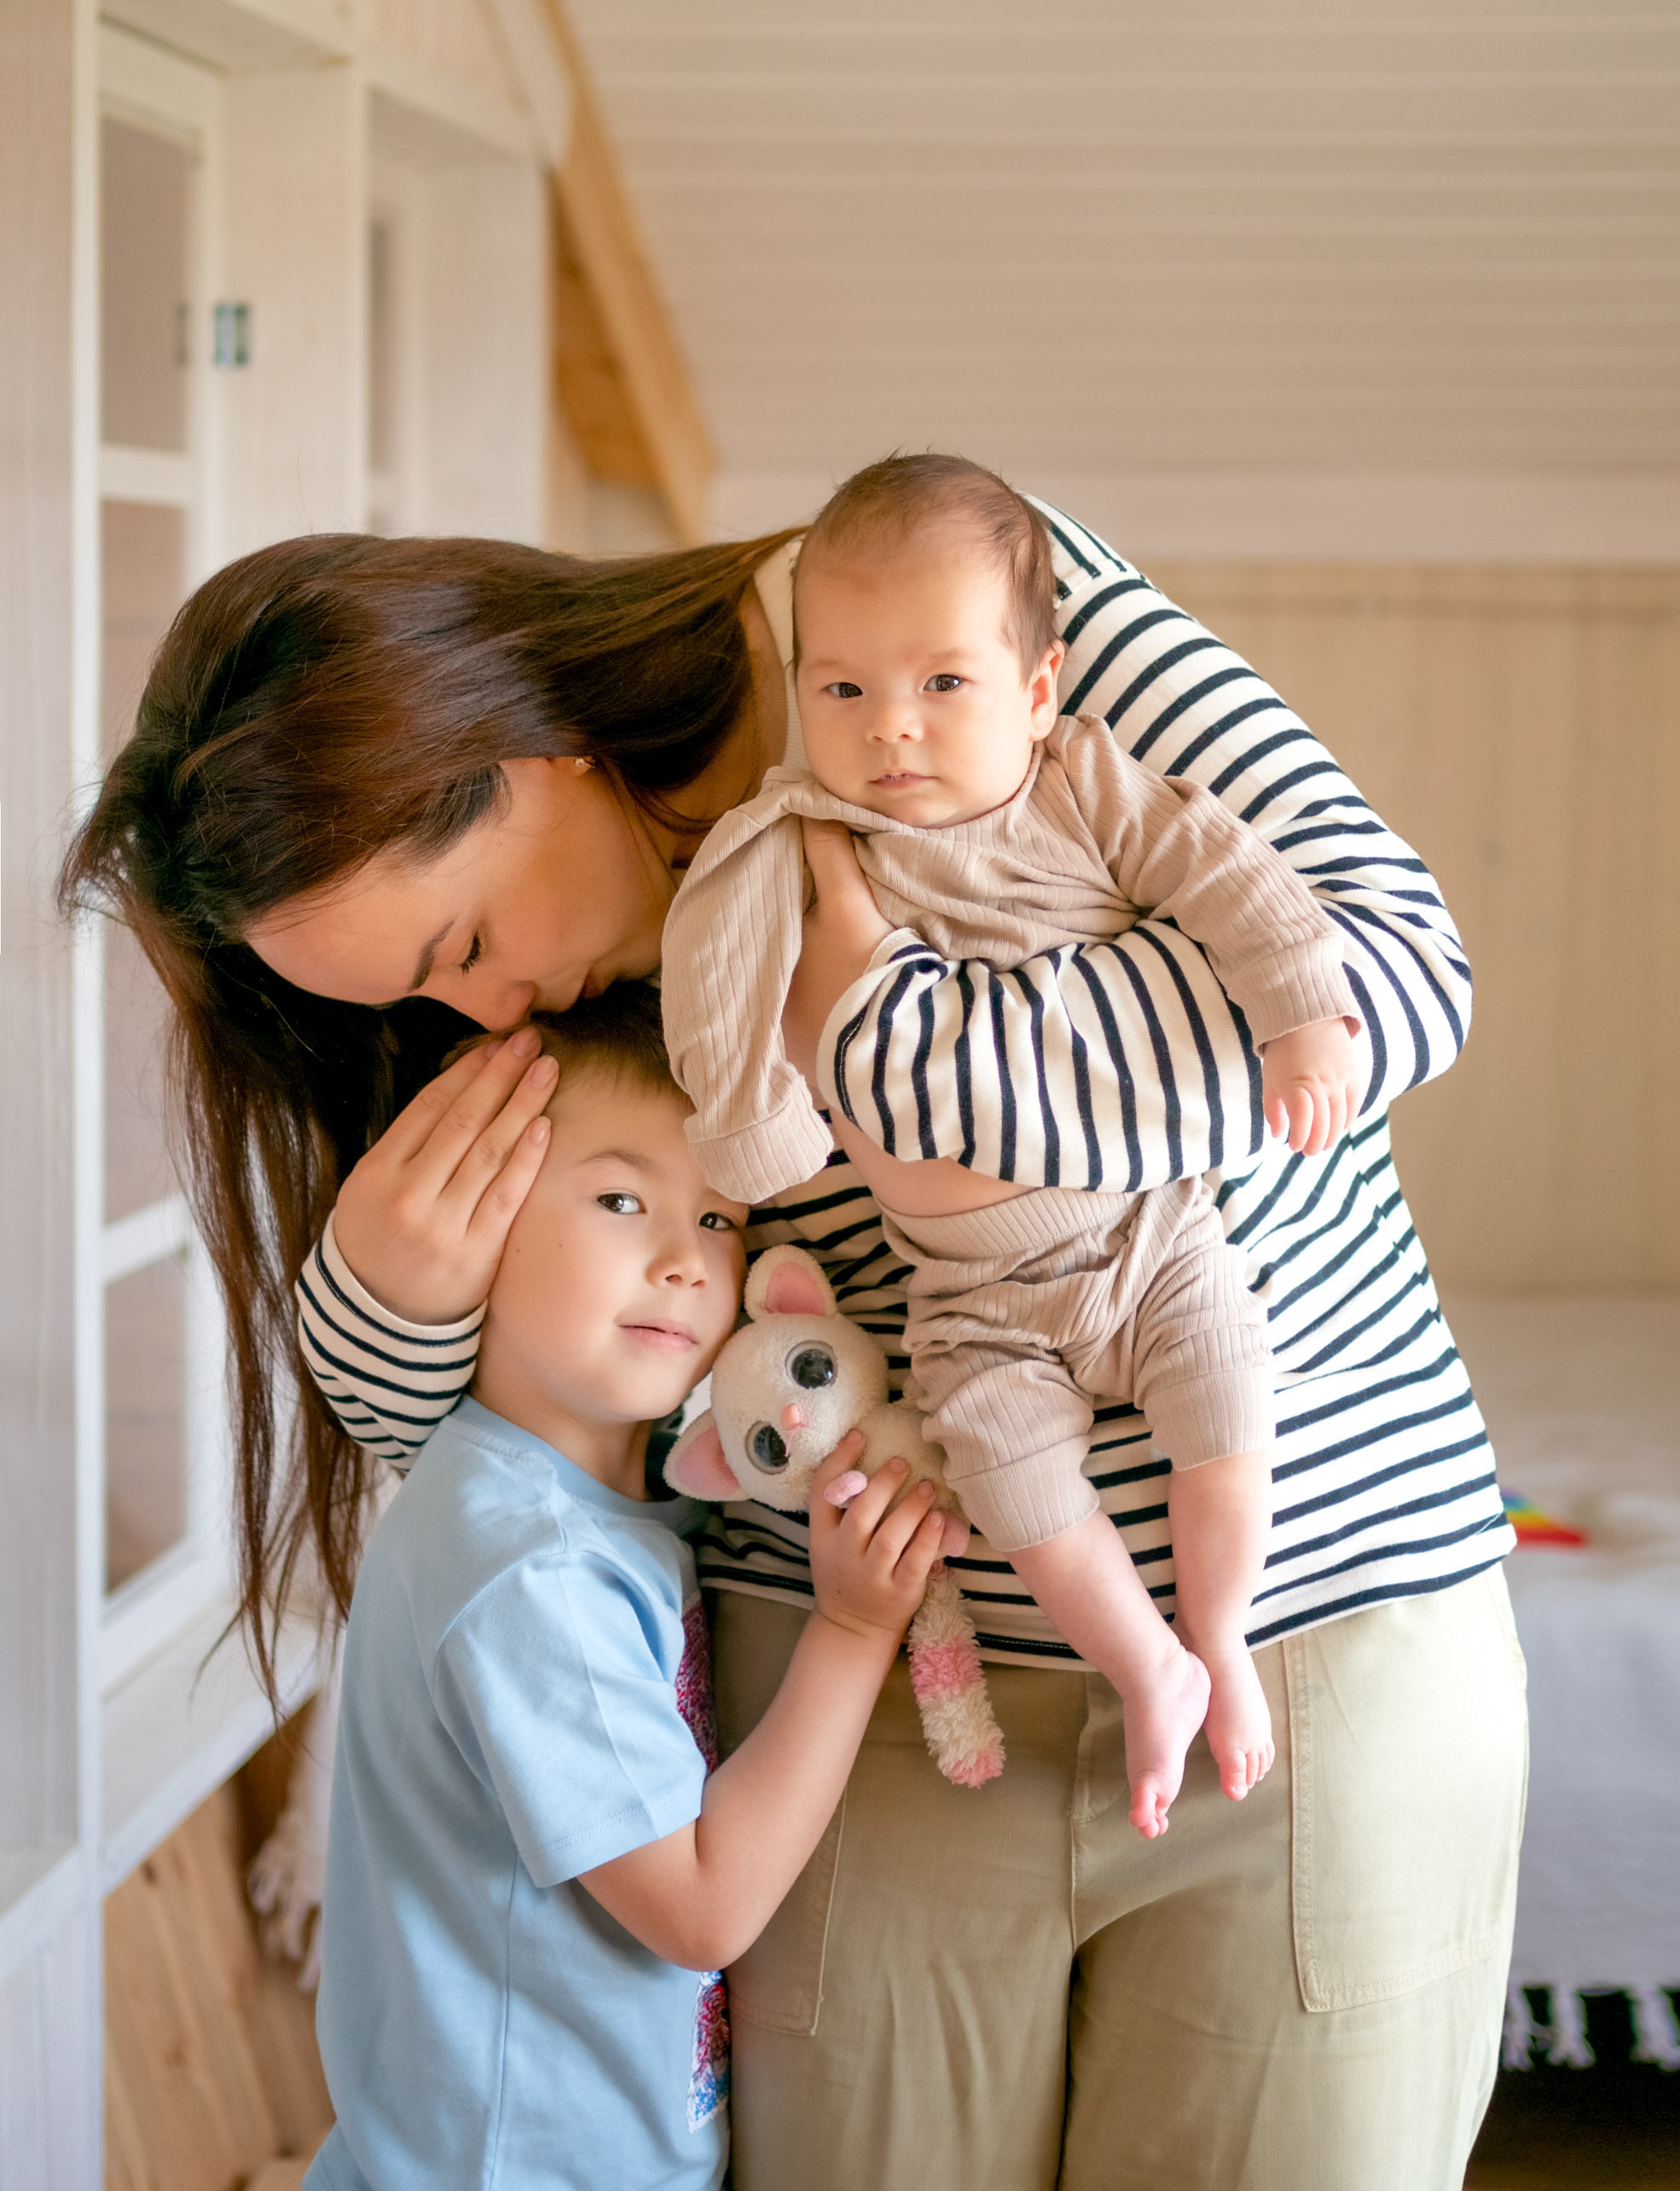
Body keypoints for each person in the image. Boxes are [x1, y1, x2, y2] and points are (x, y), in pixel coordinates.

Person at [63, 506, 1525, 2191]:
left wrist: (908, 1051)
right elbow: (513, 1454)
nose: (488, 1014)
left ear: (530, 741)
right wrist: (379, 1296)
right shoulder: (546, 997)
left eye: (461, 945)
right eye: (417, 1002)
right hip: (865, 1695)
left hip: (1308, 1630)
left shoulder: (924, 610)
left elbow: (1390, 974)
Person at [663, 455, 1366, 1829]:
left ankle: (1221, 1635)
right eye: (842, 689)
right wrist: (751, 1126)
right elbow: (721, 987)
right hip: (969, 1292)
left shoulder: (1084, 787)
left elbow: (1229, 871)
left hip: (1149, 1234)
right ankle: (1149, 1666)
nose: (891, 728)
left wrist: (1302, 1014)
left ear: (1038, 693)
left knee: (1229, 1405)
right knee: (1012, 1480)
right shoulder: (806, 848)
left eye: (943, 682)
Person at [305, 984, 951, 2191]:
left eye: (716, 1218)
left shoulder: (580, 1505)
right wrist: (855, 1627)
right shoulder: (529, 1567)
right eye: (619, 1201)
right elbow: (701, 1907)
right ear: (482, 1219)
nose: (684, 1262)